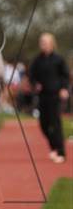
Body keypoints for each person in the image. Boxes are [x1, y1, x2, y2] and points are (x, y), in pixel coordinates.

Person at [29, 33, 69, 164]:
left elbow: (65, 75)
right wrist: (35, 84)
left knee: (55, 124)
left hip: (55, 95)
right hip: (42, 96)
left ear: (51, 43)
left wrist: (64, 88)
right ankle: (54, 147)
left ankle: (61, 152)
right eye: (41, 42)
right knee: (43, 124)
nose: (42, 44)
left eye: (45, 42)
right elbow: (31, 75)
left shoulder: (58, 59)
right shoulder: (37, 60)